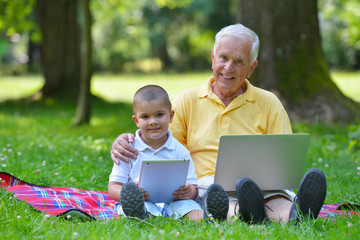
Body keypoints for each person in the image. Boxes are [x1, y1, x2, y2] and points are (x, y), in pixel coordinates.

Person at [110, 24, 327, 224]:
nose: (228, 68)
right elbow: (159, 142)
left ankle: (296, 214)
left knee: (277, 199)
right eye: (223, 58)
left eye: (239, 61)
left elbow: (284, 159)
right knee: (224, 205)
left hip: (263, 185)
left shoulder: (269, 102)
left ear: (251, 68)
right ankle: (252, 213)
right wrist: (126, 139)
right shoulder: (188, 100)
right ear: (213, 58)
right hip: (211, 187)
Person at [108, 85, 203, 223]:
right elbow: (113, 187)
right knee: (143, 216)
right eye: (145, 117)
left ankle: (213, 215)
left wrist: (189, 192)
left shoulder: (180, 150)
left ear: (171, 116)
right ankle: (142, 216)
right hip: (141, 202)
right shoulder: (128, 149)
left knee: (196, 215)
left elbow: (193, 187)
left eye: (159, 115)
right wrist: (132, 195)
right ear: (136, 121)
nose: (153, 122)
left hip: (174, 202)